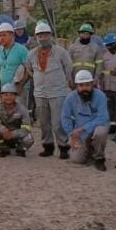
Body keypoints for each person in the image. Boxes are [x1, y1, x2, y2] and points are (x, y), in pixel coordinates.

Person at [26, 20, 73, 158]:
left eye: (45, 35)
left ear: (50, 35)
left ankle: (63, 146)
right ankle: (48, 146)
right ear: (36, 37)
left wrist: (63, 82)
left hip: (57, 92)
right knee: (44, 122)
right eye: (40, 36)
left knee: (57, 122)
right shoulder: (31, 54)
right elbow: (29, 69)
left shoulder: (61, 52)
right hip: (40, 93)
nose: (43, 38)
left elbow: (68, 68)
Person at [60, 70, 109, 169]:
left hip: (96, 128)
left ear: (92, 84)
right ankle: (89, 149)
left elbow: (103, 117)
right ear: (76, 86)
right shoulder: (70, 98)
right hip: (80, 134)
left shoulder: (100, 96)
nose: (84, 88)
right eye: (81, 85)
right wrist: (71, 134)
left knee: (101, 132)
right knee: (77, 159)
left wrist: (83, 128)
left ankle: (99, 158)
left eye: (87, 85)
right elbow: (65, 118)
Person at [0, 82, 34, 157]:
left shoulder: (22, 109)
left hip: (17, 134)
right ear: (1, 96)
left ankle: (20, 150)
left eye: (11, 95)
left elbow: (27, 127)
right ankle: (3, 149)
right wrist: (3, 130)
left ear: (16, 96)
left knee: (29, 139)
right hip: (3, 133)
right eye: (5, 95)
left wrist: (13, 134)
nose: (8, 97)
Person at [0, 21, 29, 100]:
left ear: (12, 35)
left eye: (4, 35)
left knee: (19, 111)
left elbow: (28, 69)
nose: (1, 38)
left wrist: (20, 85)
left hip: (20, 89)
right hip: (4, 90)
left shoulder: (22, 50)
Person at [68, 23, 104, 88]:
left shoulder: (96, 48)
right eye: (83, 33)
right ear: (79, 34)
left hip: (90, 80)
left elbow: (99, 65)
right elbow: (68, 64)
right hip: (75, 80)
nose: (85, 36)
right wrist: (69, 79)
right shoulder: (72, 47)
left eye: (87, 34)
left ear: (90, 35)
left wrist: (96, 79)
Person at [102, 33, 116, 133]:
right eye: (107, 45)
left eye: (110, 45)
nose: (108, 47)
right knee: (110, 108)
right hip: (107, 86)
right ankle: (112, 127)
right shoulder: (104, 54)